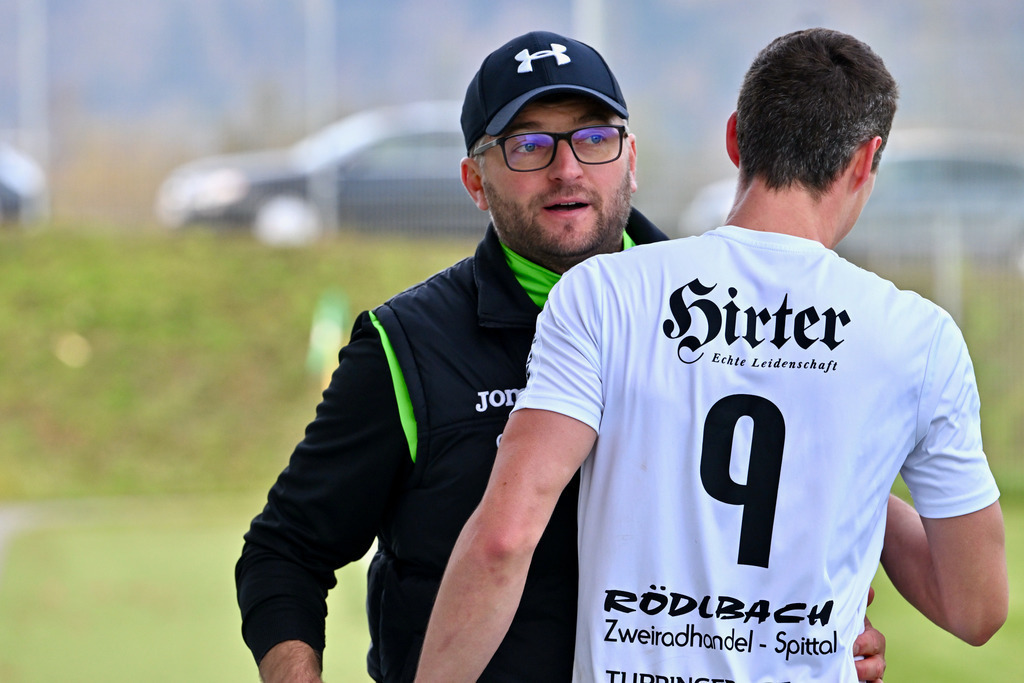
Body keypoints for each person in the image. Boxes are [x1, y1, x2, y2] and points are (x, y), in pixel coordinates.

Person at [236, 30, 887, 683]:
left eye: (593, 137)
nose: (567, 168)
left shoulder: (736, 323)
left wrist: (825, 636)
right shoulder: (408, 346)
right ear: (474, 180)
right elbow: (284, 550)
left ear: (631, 157)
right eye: (527, 145)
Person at [414, 28, 1008, 683]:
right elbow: (976, 606)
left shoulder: (605, 293)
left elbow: (503, 540)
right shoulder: (918, 338)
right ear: (866, 160)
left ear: (734, 139)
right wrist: (855, 484)